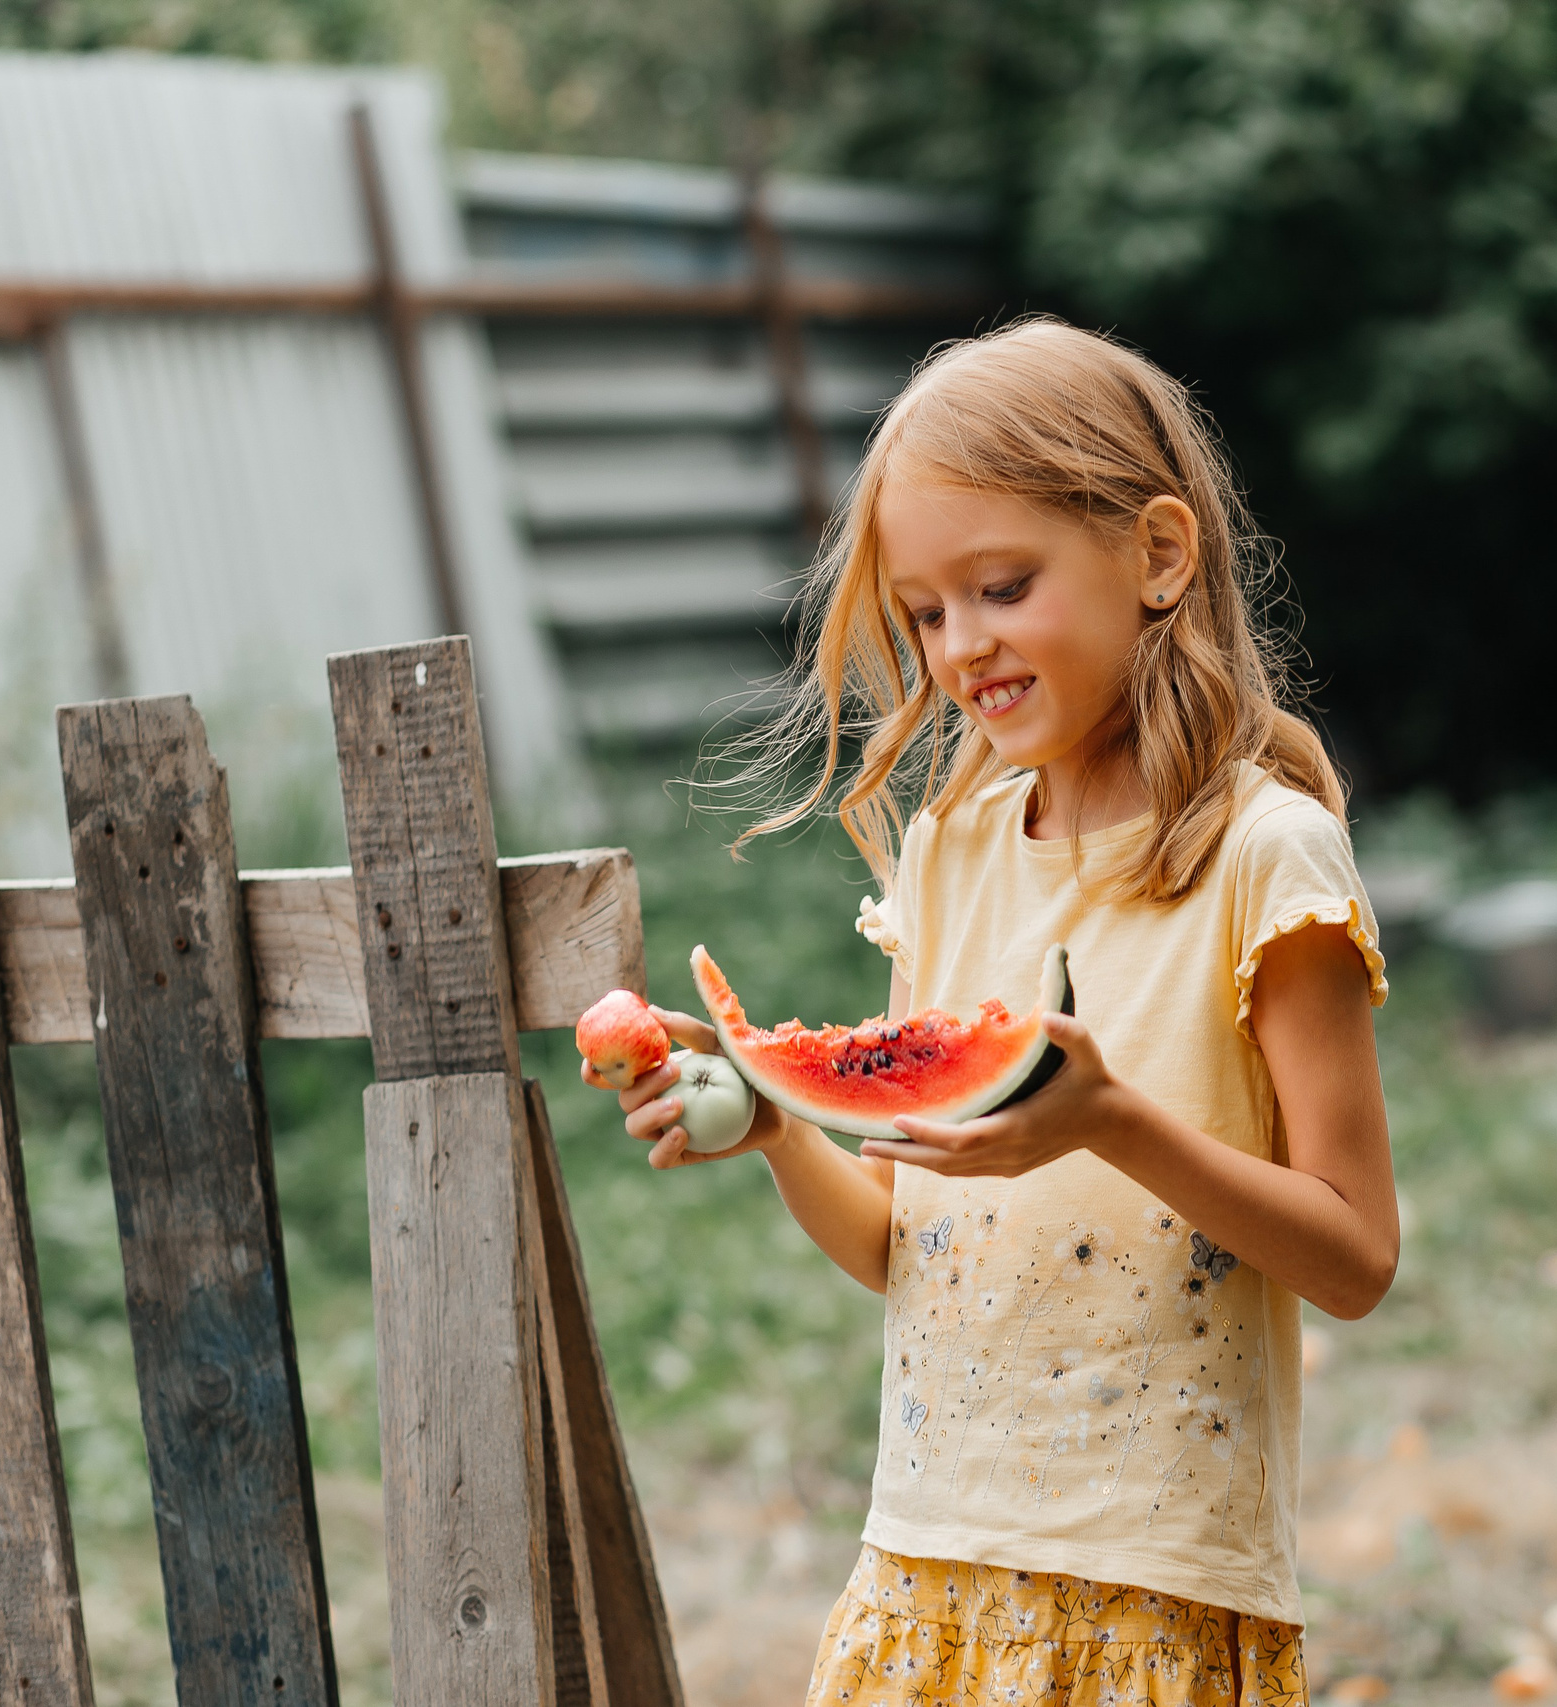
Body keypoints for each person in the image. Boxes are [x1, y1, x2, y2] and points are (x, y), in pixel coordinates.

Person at [584, 317, 1397, 1707]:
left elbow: (1355, 1258)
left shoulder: (1267, 860)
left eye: (1004, 587)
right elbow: (907, 1249)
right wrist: (782, 1122)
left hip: (1153, 1586)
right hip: (927, 1570)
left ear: (1156, 555)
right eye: (925, 613)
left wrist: (1110, 1125)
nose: (962, 647)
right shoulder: (954, 848)